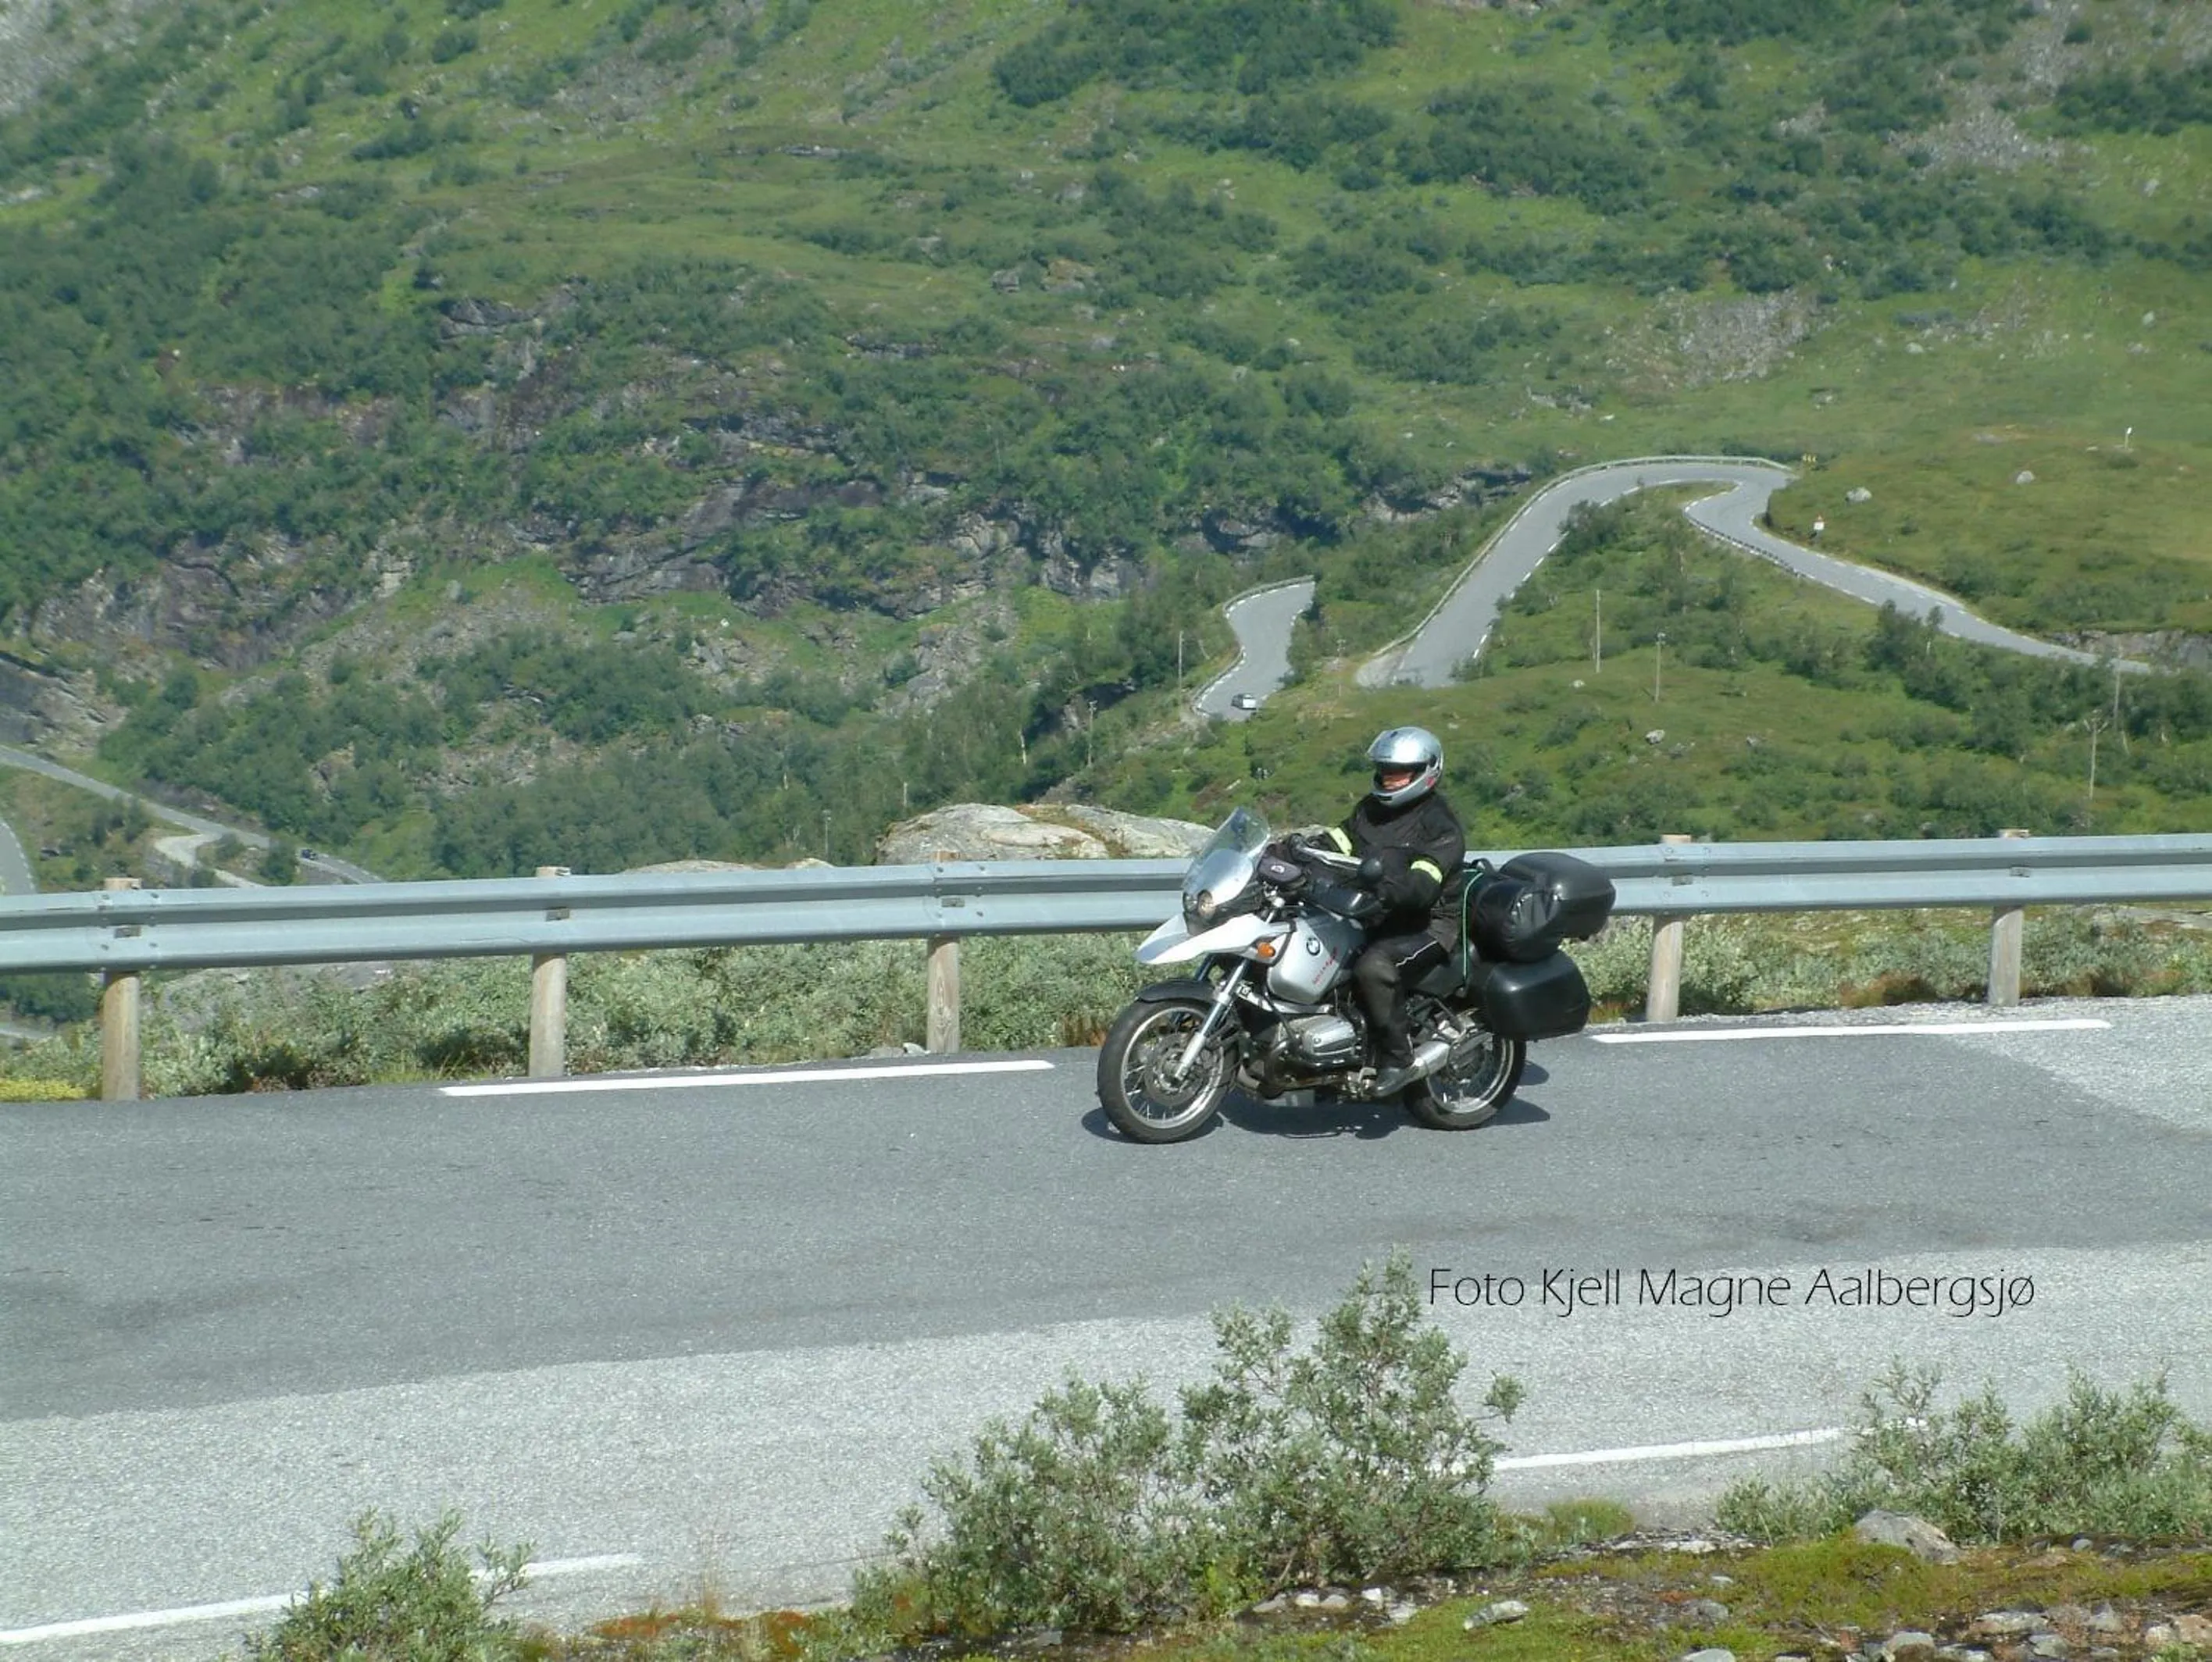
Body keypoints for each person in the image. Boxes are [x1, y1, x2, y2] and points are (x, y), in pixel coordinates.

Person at [1300, 726, 1465, 1095]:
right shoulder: (1370, 810)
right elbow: (1340, 842)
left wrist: (1388, 889)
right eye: (1385, 771)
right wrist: (1299, 852)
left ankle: (1397, 1059)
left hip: (1426, 926)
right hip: (1375, 914)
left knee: (1373, 967)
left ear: (1427, 771)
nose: (1390, 779)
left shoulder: (1441, 826)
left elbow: (1424, 884)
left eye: (1400, 773)